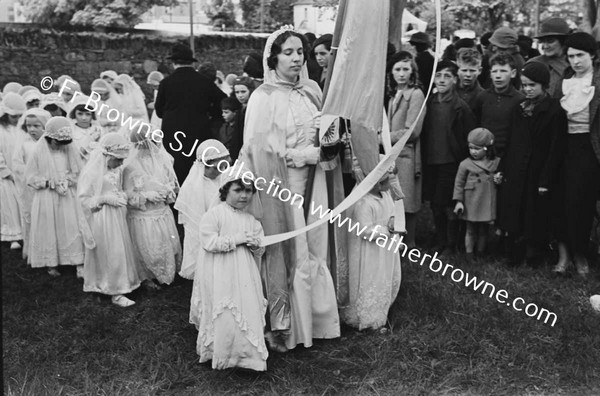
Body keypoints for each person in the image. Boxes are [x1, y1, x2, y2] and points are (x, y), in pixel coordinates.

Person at [239, 26, 340, 352]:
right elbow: (259, 151)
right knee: (291, 247)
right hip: (283, 188)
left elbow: (327, 131)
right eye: (289, 52)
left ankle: (318, 319)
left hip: (317, 181)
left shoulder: (312, 90)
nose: (296, 58)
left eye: (300, 52)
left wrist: (331, 143)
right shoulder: (262, 98)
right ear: (274, 58)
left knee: (314, 243)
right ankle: (286, 326)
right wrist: (304, 155)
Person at [189, 169, 268, 371]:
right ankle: (222, 353)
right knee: (225, 306)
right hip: (220, 269)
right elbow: (208, 242)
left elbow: (260, 248)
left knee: (246, 305)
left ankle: (247, 356)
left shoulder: (251, 220)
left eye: (249, 191)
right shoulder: (214, 215)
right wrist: (236, 240)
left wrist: (255, 245)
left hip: (244, 270)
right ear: (225, 190)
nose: (244, 195)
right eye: (238, 190)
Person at [496, 61, 567, 267]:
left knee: (535, 213)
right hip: (517, 168)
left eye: (532, 85)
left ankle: (534, 253)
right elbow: (510, 141)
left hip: (538, 169)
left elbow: (556, 148)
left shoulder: (554, 110)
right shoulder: (519, 109)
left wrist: (546, 178)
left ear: (543, 85)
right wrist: (503, 167)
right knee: (515, 210)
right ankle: (514, 251)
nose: (527, 89)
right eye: (524, 85)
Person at [78, 133, 142, 307]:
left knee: (119, 248)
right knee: (109, 251)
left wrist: (119, 195)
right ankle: (113, 289)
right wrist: (104, 199)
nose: (121, 163)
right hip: (102, 218)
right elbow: (84, 199)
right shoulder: (92, 172)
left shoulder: (115, 170)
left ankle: (119, 283)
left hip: (116, 216)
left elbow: (116, 186)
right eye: (118, 159)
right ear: (107, 156)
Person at [421, 59, 477, 256]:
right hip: (431, 161)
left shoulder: (460, 107)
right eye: (439, 76)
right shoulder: (428, 103)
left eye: (447, 76)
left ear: (455, 80)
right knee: (435, 204)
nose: (442, 80)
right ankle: (440, 238)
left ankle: (452, 244)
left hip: (451, 162)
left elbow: (467, 136)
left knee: (448, 203)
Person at [556, 32, 600, 277]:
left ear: (592, 55)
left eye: (580, 55)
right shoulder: (565, 81)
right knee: (563, 200)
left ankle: (582, 254)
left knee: (583, 202)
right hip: (565, 146)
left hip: (590, 146)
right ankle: (565, 254)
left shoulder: (597, 81)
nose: (575, 61)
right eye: (571, 56)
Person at [24, 117, 89, 277]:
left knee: (71, 224)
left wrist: (68, 181)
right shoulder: (38, 151)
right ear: (49, 138)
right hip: (47, 195)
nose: (60, 146)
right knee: (50, 227)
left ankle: (77, 260)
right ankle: (50, 261)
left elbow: (77, 171)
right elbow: (30, 177)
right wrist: (48, 183)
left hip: (67, 193)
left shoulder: (68, 149)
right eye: (56, 143)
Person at [340, 163, 401, 330]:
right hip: (372, 252)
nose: (390, 182)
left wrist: (395, 227)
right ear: (377, 183)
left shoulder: (386, 196)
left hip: (386, 249)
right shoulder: (365, 204)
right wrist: (387, 230)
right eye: (387, 180)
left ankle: (385, 309)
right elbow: (365, 231)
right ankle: (371, 319)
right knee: (373, 280)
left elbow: (392, 213)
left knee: (386, 278)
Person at [155, 43, 225, 183]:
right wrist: (210, 115)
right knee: (197, 167)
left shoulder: (166, 83)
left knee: (176, 166)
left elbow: (159, 111)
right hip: (198, 131)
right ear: (191, 62)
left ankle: (176, 197)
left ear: (173, 62)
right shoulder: (204, 81)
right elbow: (222, 102)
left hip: (173, 133)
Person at [123, 130, 181, 288]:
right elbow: (125, 193)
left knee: (164, 242)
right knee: (149, 245)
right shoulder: (129, 165)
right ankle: (146, 274)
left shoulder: (163, 159)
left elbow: (171, 182)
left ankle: (166, 269)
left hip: (161, 211)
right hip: (143, 213)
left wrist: (167, 190)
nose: (154, 147)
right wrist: (146, 195)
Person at [175, 140, 231, 280]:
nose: (220, 171)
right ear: (205, 166)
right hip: (205, 228)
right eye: (217, 168)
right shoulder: (194, 186)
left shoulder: (223, 179)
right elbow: (195, 217)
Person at [387, 51, 426, 249]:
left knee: (407, 200)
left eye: (405, 69)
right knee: (394, 198)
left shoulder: (416, 95)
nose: (401, 74)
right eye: (397, 69)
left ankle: (410, 244)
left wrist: (385, 138)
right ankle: (396, 240)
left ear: (412, 72)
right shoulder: (394, 95)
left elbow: (413, 131)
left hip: (407, 154)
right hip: (392, 154)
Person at [453, 128, 501, 261]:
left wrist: (499, 177)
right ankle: (469, 254)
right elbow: (459, 183)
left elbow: (501, 177)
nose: (473, 151)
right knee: (470, 228)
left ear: (487, 148)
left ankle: (481, 252)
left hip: (487, 200)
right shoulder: (465, 164)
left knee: (484, 229)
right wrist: (458, 201)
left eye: (477, 148)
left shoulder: (495, 162)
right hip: (471, 201)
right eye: (471, 148)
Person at [12, 108, 52, 259]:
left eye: (36, 126)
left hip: (48, 187)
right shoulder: (24, 144)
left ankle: (49, 253)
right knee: (31, 217)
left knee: (47, 219)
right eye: (29, 126)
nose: (32, 129)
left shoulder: (50, 144)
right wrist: (32, 177)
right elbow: (17, 165)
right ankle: (33, 251)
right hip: (30, 188)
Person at [473, 53, 525, 159]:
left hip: (509, 155)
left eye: (503, 71)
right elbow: (476, 123)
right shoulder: (482, 97)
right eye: (494, 71)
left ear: (513, 73)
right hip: (484, 155)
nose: (498, 75)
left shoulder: (520, 100)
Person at [0, 92, 27, 249]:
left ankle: (25, 233)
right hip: (6, 176)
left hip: (21, 173)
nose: (17, 120)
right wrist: (6, 171)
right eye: (13, 117)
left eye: (19, 116)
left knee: (22, 204)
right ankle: (12, 236)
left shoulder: (22, 130)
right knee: (9, 204)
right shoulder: (1, 131)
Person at [530, 17, 571, 98]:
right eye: (543, 41)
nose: (545, 46)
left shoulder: (574, 62)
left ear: (563, 41)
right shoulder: (534, 64)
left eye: (550, 41)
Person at [68, 95, 103, 161]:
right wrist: (90, 141)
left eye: (87, 114)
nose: (84, 118)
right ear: (74, 114)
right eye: (80, 114)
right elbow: (74, 156)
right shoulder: (70, 131)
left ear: (92, 115)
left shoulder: (99, 130)